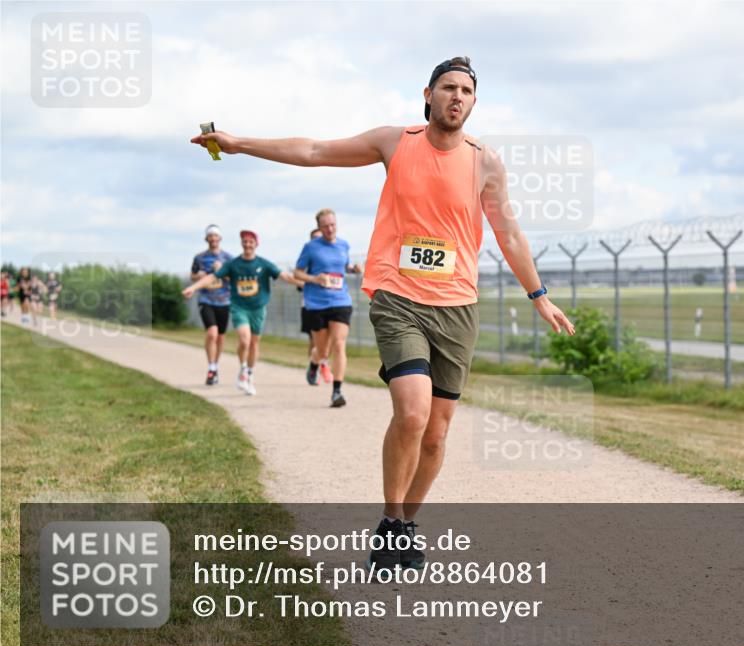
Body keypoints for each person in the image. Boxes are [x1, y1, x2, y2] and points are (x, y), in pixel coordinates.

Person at [191, 56, 574, 571]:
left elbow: (509, 234)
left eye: (466, 90)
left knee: (436, 434)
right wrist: (241, 145)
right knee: (412, 413)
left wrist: (539, 295)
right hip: (398, 298)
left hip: (457, 306)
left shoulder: (486, 162)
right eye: (447, 87)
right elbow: (315, 150)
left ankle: (404, 525)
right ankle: (393, 517)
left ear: (474, 102)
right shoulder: (397, 142)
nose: (456, 97)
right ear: (428, 94)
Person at [183, 230, 300, 396]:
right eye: (244, 241)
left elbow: (285, 276)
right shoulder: (233, 264)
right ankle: (243, 369)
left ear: (256, 244)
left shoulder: (264, 264)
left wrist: (305, 283)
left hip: (258, 309)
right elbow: (212, 277)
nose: (247, 244)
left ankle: (249, 374)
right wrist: (193, 288)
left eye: (250, 241)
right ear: (241, 244)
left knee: (254, 343)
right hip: (239, 307)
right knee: (244, 340)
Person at [295, 208, 362, 407]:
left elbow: (343, 267)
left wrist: (353, 269)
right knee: (323, 351)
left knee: (339, 344)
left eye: (332, 224)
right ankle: (315, 363)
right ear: (319, 227)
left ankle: (337, 391)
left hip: (340, 301)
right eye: (325, 226)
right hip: (316, 303)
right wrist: (315, 278)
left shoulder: (344, 245)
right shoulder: (310, 247)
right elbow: (298, 273)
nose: (330, 229)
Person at [190, 225, 233, 385]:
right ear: (206, 239)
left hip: (224, 301)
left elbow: (233, 279)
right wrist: (198, 276)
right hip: (206, 300)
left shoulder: (228, 258)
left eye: (216, 236)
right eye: (210, 236)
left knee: (221, 337)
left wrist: (222, 271)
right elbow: (193, 275)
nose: (213, 239)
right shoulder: (199, 258)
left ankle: (215, 365)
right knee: (212, 333)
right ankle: (211, 367)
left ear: (220, 238)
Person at [299, 228, 325, 379]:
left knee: (327, 340)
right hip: (309, 304)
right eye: (314, 238)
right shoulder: (307, 258)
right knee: (313, 339)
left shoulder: (329, 258)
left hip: (329, 304)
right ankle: (314, 366)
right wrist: (313, 281)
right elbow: (298, 280)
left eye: (319, 237)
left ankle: (320, 363)